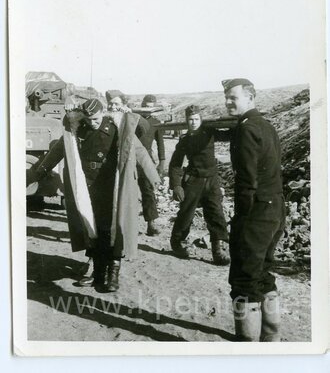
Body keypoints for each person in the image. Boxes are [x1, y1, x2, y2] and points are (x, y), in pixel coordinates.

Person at [26, 98, 160, 293]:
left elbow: (140, 145)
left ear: (103, 113)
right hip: (88, 188)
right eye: (89, 120)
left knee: (112, 229)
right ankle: (97, 274)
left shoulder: (117, 126)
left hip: (111, 187)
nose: (93, 123)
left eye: (96, 119)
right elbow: (57, 151)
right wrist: (38, 173)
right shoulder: (77, 129)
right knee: (92, 228)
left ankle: (112, 274)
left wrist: (154, 177)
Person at [222, 78, 286, 342]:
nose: (227, 102)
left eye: (233, 97)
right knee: (263, 276)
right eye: (226, 97)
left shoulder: (246, 130)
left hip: (256, 214)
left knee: (244, 282)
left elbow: (247, 181)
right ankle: (271, 343)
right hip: (275, 210)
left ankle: (247, 350)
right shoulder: (265, 126)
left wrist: (241, 220)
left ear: (250, 97)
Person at [168, 104, 230, 265]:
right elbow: (175, 164)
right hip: (194, 179)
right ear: (186, 121)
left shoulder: (209, 133)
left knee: (216, 213)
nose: (193, 122)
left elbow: (229, 135)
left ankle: (218, 249)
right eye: (190, 120)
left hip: (212, 179)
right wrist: (176, 185)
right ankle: (177, 243)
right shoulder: (185, 140)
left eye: (196, 119)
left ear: (200, 120)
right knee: (186, 214)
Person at [137, 94, 166, 236]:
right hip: (130, 158)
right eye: (146, 107)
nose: (148, 110)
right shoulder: (134, 119)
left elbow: (160, 144)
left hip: (146, 161)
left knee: (148, 191)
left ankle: (151, 224)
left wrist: (162, 162)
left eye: (151, 108)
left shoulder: (156, 122)